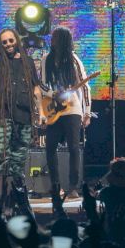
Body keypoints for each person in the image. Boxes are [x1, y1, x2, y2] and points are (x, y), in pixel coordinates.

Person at [0, 26, 37, 180]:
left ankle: (15, 189)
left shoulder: (28, 62)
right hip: (2, 113)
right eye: (4, 42)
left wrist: (41, 112)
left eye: (11, 40)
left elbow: (35, 88)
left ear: (17, 40)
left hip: (24, 114)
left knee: (19, 157)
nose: (8, 44)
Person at [39, 27, 91, 197]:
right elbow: (42, 84)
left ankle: (73, 186)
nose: (51, 40)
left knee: (74, 147)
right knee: (50, 147)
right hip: (54, 109)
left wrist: (87, 112)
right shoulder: (46, 59)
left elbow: (85, 86)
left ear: (62, 40)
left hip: (73, 109)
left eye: (55, 37)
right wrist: (52, 94)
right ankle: (55, 185)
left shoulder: (74, 60)